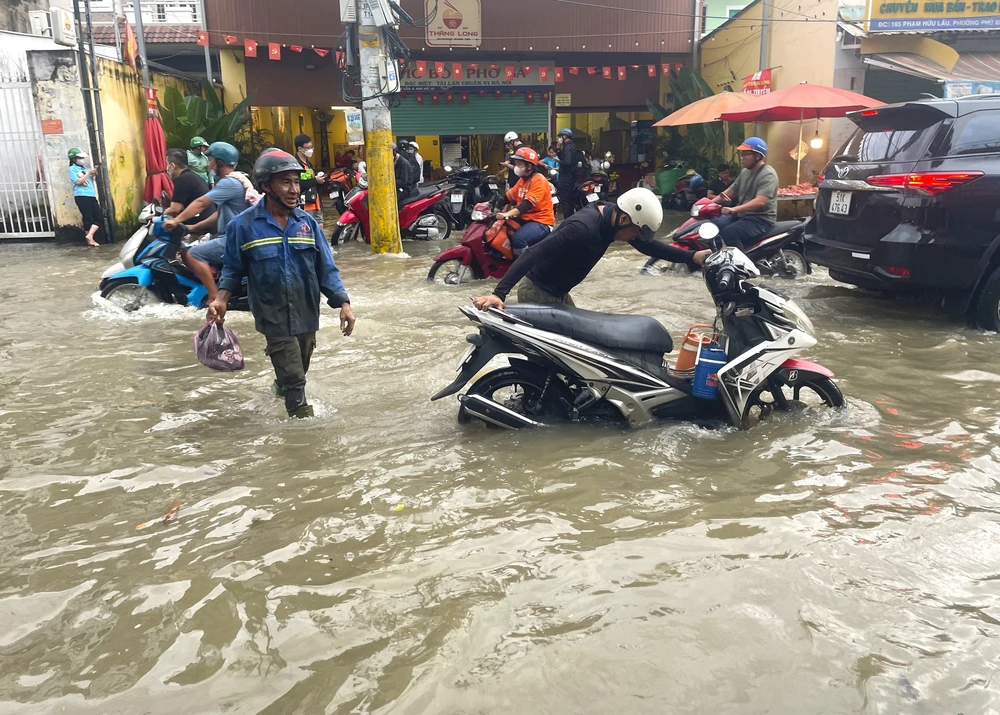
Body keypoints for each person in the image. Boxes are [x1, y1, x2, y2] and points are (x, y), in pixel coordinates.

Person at [206, 150, 355, 419]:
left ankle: (280, 387)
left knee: (300, 363)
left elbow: (326, 269)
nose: (294, 190)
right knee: (296, 380)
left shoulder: (307, 224)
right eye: (286, 182)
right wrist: (221, 299)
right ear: (266, 186)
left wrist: (343, 304)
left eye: (296, 182)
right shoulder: (243, 226)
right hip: (271, 314)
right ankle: (302, 427)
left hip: (306, 311)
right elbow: (232, 269)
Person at [473, 187, 710, 309]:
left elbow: (648, 246)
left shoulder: (612, 217)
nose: (635, 239)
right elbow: (534, 252)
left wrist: (691, 256)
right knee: (556, 358)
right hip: (538, 292)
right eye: (636, 232)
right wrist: (499, 294)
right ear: (625, 219)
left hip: (558, 293)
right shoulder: (582, 228)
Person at [162, 142, 250, 266]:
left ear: (219, 162)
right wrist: (193, 228)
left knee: (192, 254)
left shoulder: (229, 183)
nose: (208, 164)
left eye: (210, 160)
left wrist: (176, 221)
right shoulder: (232, 181)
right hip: (230, 237)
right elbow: (218, 215)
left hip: (232, 239)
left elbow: (201, 203)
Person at [711, 138, 778, 249]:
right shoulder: (745, 172)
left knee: (729, 233)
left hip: (761, 219)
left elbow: (760, 202)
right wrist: (708, 204)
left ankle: (741, 260)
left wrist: (734, 209)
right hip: (743, 216)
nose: (742, 158)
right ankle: (715, 255)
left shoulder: (768, 174)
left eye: (746, 155)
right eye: (741, 154)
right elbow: (731, 191)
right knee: (713, 226)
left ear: (758, 156)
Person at [494, 147, 556, 254]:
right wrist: (490, 203)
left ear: (529, 166)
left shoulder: (538, 180)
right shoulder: (522, 180)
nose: (516, 167)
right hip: (526, 219)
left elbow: (526, 205)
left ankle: (527, 264)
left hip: (541, 222)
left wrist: (507, 214)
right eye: (516, 164)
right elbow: (508, 196)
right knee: (504, 230)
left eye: (519, 164)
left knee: (518, 239)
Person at [164, 148, 213, 226]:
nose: (166, 168)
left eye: (166, 164)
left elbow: (175, 209)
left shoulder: (182, 179)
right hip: (207, 220)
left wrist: (160, 214)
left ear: (172, 166)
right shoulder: (191, 176)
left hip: (200, 224)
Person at [67, 148, 102, 246]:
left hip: (91, 195)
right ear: (74, 159)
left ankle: (89, 235)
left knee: (99, 217)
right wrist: (88, 173)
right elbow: (78, 182)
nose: (82, 159)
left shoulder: (85, 168)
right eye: (80, 158)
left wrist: (93, 175)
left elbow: (89, 181)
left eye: (82, 158)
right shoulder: (72, 169)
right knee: (88, 218)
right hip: (81, 196)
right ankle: (90, 240)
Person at [294, 134, 327, 224]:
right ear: (300, 149)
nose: (311, 150)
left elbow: (312, 183)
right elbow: (297, 184)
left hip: (315, 202)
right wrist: (315, 180)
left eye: (311, 147)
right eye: (308, 148)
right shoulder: (295, 165)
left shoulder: (309, 164)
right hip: (304, 205)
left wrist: (320, 181)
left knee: (319, 227)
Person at [556, 128, 580, 220]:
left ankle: (568, 220)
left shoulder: (568, 147)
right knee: (569, 199)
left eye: (560, 136)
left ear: (565, 136)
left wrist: (558, 161)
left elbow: (567, 162)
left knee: (565, 200)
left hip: (566, 176)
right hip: (570, 176)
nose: (559, 139)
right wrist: (559, 149)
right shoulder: (570, 146)